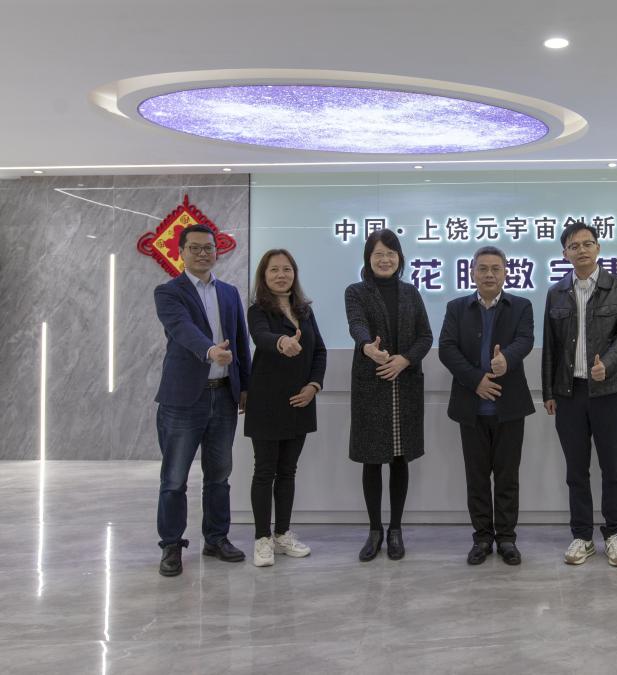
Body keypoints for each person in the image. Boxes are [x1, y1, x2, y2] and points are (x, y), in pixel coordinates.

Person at [153, 224, 251, 577]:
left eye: (208, 247)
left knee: (219, 475)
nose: (202, 253)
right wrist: (210, 350)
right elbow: (182, 330)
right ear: (181, 252)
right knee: (174, 478)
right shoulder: (169, 292)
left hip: (223, 396)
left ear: (216, 251)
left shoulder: (229, 292)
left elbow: (240, 341)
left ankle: (216, 538)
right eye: (194, 248)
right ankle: (171, 545)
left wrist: (245, 386)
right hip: (183, 400)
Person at [542, 223, 617, 567]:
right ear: (565, 253)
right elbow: (550, 346)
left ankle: (614, 535)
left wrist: (607, 364)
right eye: (574, 245)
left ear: (598, 248)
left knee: (612, 467)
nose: (581, 250)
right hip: (569, 394)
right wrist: (549, 391)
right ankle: (582, 536)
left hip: (610, 392)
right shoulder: (556, 293)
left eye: (587, 243)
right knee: (576, 470)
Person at [439, 246, 535, 566]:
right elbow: (447, 348)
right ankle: (482, 538)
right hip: (471, 408)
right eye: (483, 268)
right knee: (477, 478)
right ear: (472, 273)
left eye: (496, 268)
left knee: (507, 477)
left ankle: (506, 538)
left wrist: (507, 358)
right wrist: (476, 380)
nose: (489, 274)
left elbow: (525, 339)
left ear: (506, 273)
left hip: (510, 408)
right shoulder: (456, 308)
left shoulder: (521, 306)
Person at [344, 230, 432, 562]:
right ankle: (374, 530)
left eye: (391, 254)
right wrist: (368, 346)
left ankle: (395, 529)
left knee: (399, 459)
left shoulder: (411, 292)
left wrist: (404, 359)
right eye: (378, 254)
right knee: (371, 459)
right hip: (372, 384)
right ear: (368, 258)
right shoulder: (356, 291)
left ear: (400, 258)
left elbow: (425, 336)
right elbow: (356, 325)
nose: (385, 259)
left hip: (405, 384)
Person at [244, 249, 327, 567]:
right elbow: (261, 336)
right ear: (264, 276)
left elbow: (319, 351)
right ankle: (262, 539)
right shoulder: (258, 310)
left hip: (300, 402)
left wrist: (313, 386)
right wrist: (282, 342)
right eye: (274, 270)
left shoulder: (304, 310)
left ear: (295, 273)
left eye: (287, 269)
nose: (281, 275)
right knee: (265, 472)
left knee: (288, 471)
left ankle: (282, 534)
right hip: (266, 402)